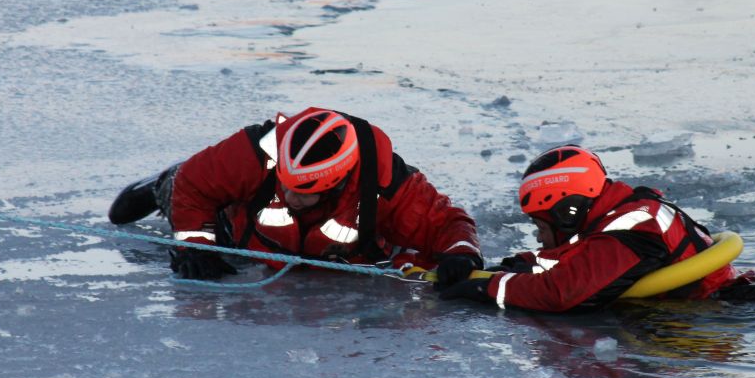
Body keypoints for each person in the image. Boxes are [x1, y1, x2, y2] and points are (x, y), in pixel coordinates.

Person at [438, 145, 755, 312]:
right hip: (753, 296)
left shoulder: (633, 229)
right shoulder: (614, 219)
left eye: (539, 225)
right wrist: (502, 267)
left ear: (567, 211)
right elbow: (571, 261)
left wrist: (484, 289)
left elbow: (564, 291)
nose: (538, 236)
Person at [108, 107, 482, 286]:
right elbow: (195, 184)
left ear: (338, 184)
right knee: (144, 202)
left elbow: (449, 224)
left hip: (329, 260)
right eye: (284, 184)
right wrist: (195, 246)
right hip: (237, 228)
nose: (288, 196)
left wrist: (461, 255)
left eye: (303, 192)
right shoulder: (257, 151)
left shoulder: (383, 183)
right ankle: (160, 182)